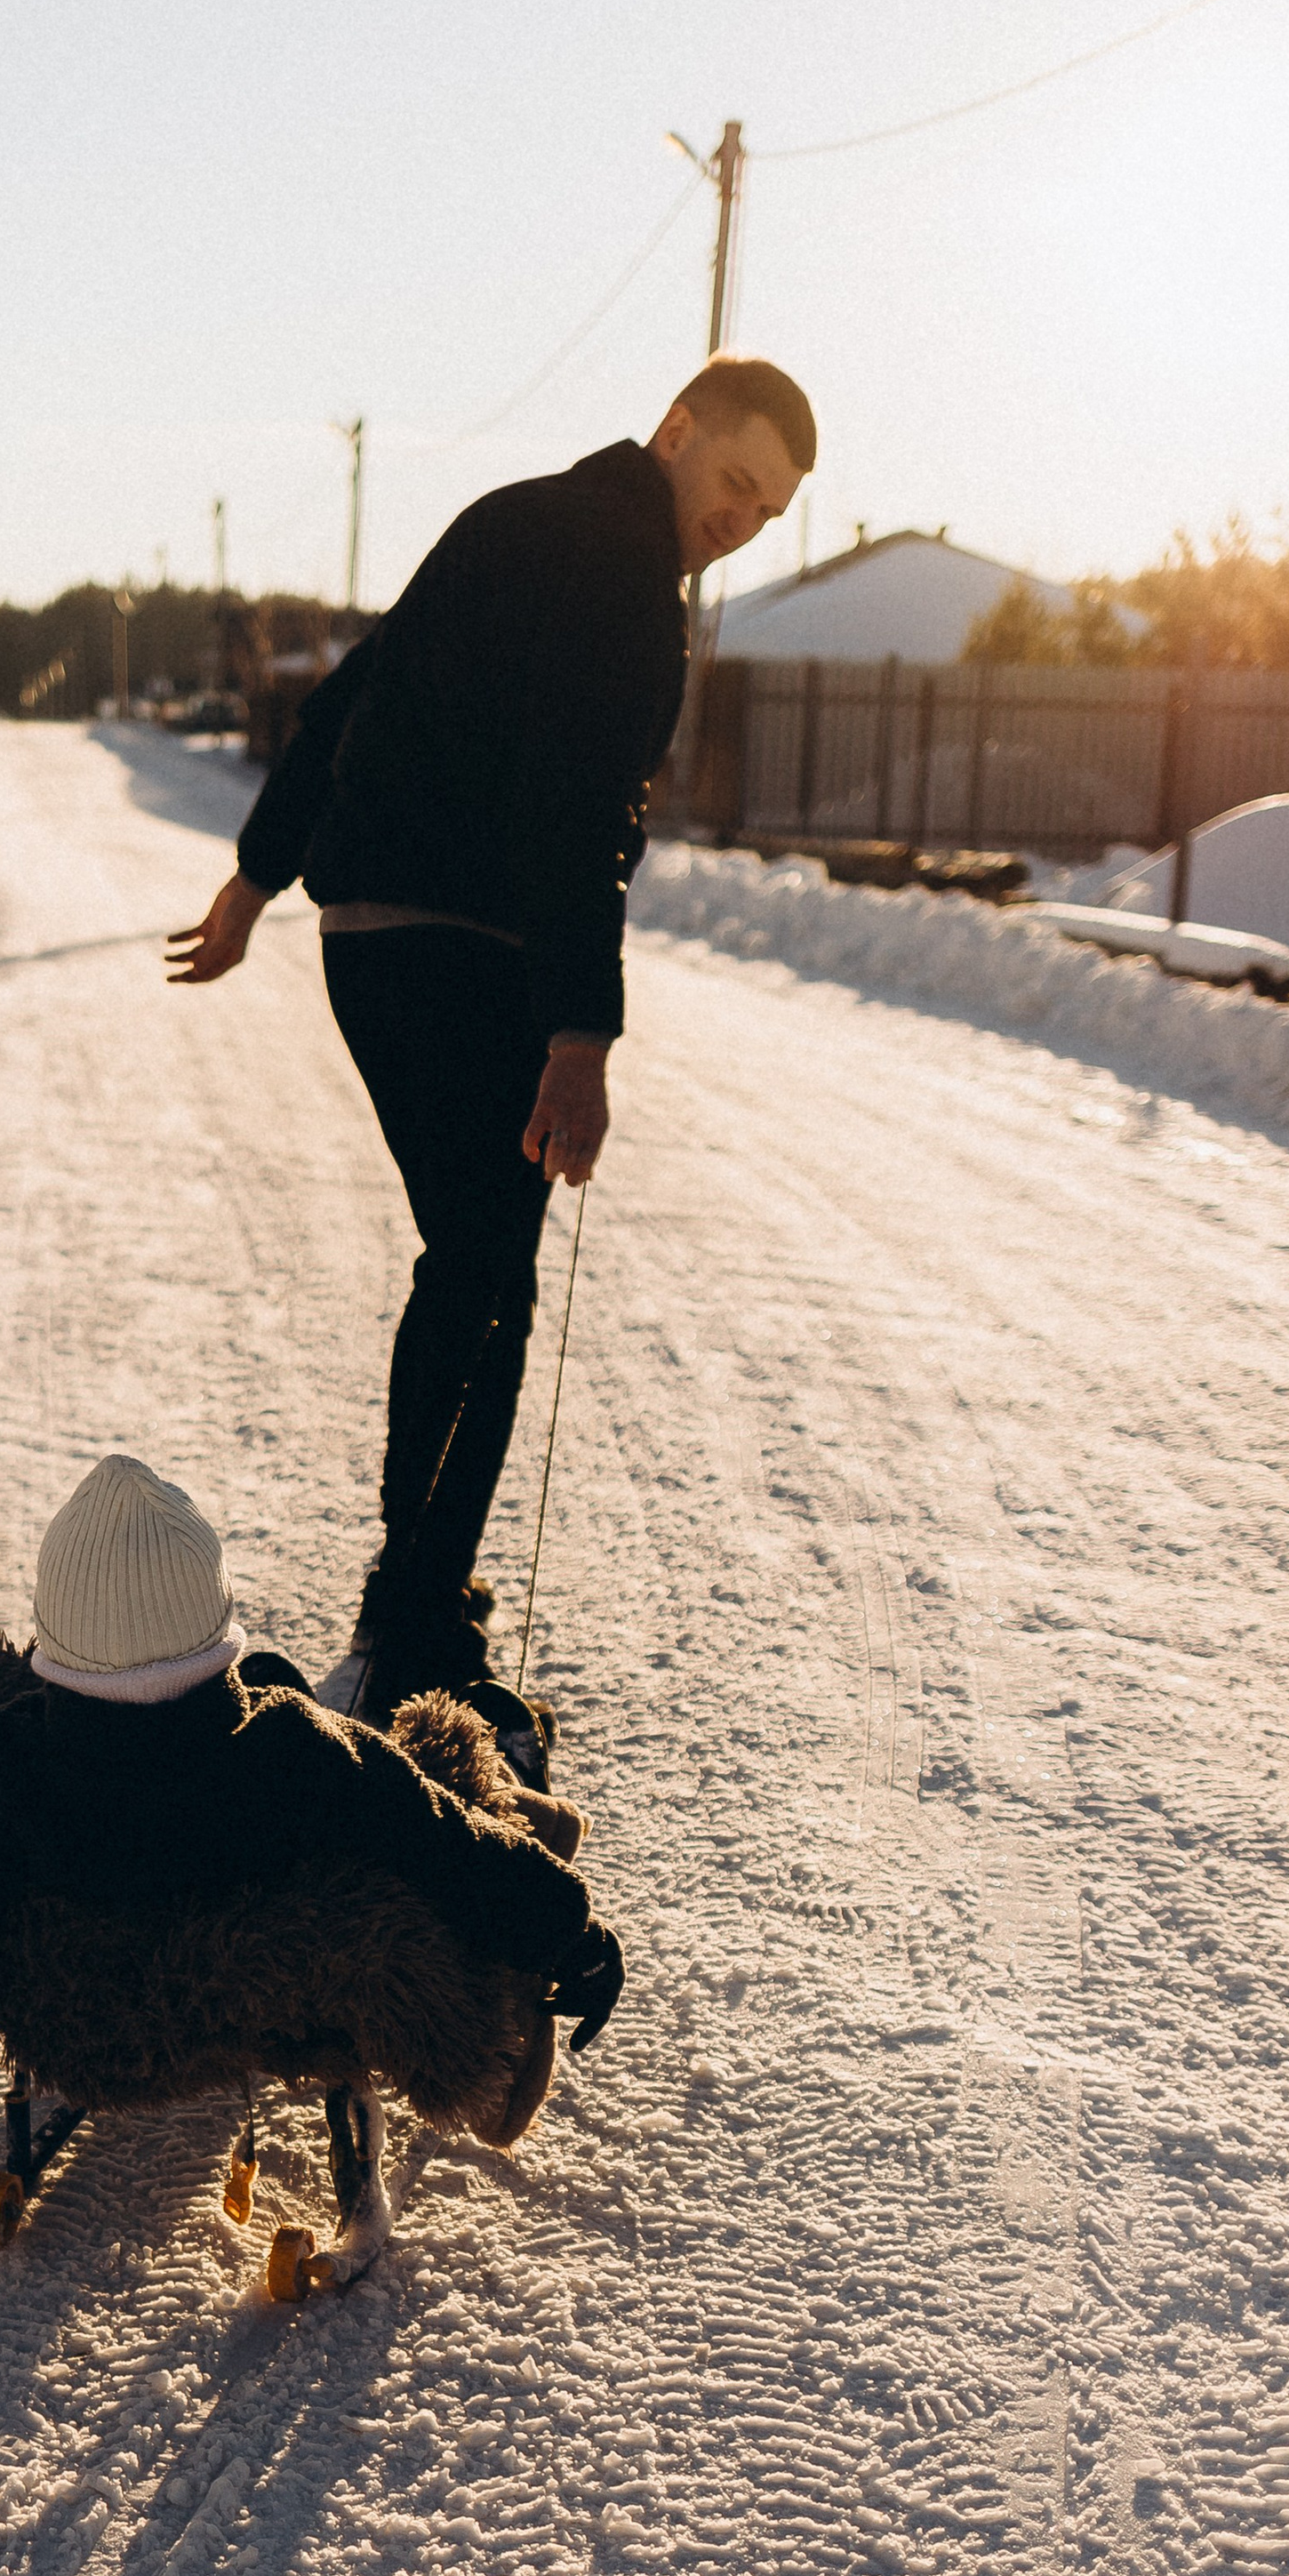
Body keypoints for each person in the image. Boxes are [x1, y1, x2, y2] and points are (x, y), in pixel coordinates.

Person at [167, 355, 814, 1719]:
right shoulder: (625, 585)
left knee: (473, 1263)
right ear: (680, 432)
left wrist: (256, 877)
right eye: (737, 483)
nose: (742, 520)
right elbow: (575, 812)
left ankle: (419, 1599)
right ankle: (409, 1637)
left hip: (369, 942)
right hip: (468, 946)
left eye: (770, 510)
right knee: (484, 1275)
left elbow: (345, 699)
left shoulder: (509, 517)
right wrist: (580, 1034)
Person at [0, 1451, 621, 2145]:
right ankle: (519, 1790)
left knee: (271, 1675)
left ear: (56, 1640)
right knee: (360, 1752)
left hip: (97, 2025)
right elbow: (438, 1837)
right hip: (252, 1994)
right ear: (215, 1623)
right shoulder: (288, 1749)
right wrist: (567, 1928)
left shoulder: (13, 1762)